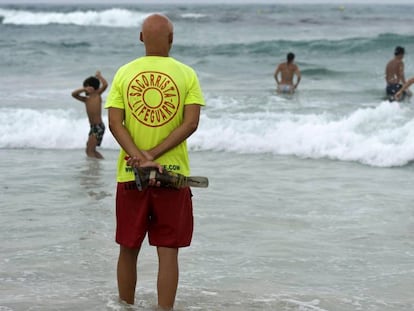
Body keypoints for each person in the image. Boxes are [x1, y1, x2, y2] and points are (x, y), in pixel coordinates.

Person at [104, 13, 205, 310]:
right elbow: (191, 124)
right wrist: (155, 156)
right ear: (172, 39)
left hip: (130, 174)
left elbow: (114, 123)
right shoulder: (187, 74)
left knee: (128, 248)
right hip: (172, 178)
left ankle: (125, 307)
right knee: (168, 251)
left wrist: (140, 156)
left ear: (140, 39)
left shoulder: (124, 73)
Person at [71, 71, 108, 159]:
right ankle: (100, 162)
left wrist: (99, 76)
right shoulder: (86, 99)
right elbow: (73, 94)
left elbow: (105, 85)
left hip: (98, 127)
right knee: (90, 150)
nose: (85, 90)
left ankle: (94, 167)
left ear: (91, 87)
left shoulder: (97, 95)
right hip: (93, 128)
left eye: (86, 87)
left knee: (89, 150)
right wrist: (83, 89)